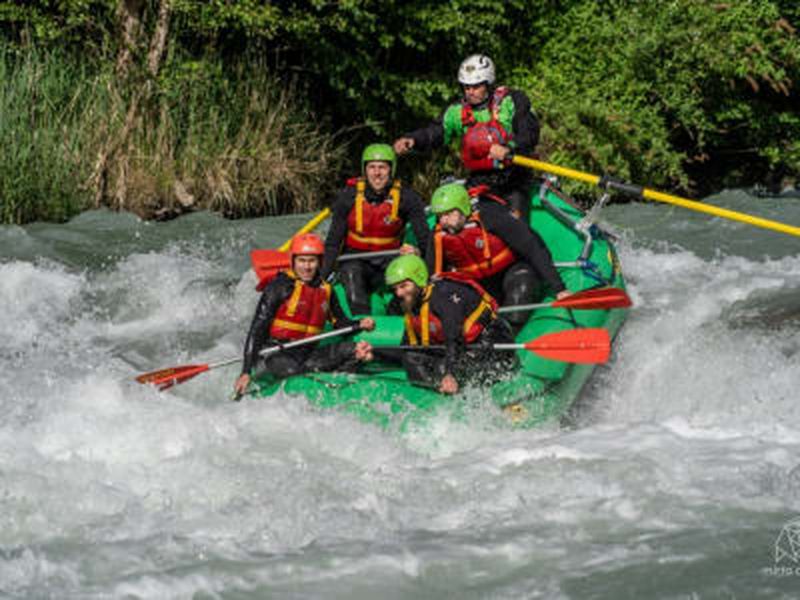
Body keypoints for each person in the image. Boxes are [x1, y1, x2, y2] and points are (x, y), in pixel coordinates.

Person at [393, 54, 540, 221]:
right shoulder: (456, 112)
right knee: (461, 222)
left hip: (514, 178)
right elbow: (435, 132)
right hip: (480, 179)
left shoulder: (511, 101)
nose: (470, 92)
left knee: (515, 224)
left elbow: (529, 134)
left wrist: (509, 148)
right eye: (466, 87)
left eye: (476, 86)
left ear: (488, 83)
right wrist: (413, 140)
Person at [233, 233, 375, 397]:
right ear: (293, 261)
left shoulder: (326, 290)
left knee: (355, 351)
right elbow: (258, 328)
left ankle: (338, 389)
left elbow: (340, 325)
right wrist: (246, 371)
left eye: (312, 261)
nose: (307, 267)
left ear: (320, 262)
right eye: (302, 261)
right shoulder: (278, 287)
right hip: (277, 354)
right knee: (294, 371)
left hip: (309, 354)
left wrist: (359, 325)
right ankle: (315, 384)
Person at [425, 182, 570, 330]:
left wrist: (559, 288)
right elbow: (433, 276)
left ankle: (510, 335)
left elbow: (532, 246)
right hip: (481, 285)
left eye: (448, 214)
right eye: (439, 216)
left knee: (521, 287)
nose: (443, 221)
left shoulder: (490, 215)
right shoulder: (438, 235)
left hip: (512, 271)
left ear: (462, 207)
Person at [381, 255, 515, 395]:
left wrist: (450, 374)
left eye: (403, 286)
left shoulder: (444, 296)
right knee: (411, 360)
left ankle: (460, 391)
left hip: (490, 342)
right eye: (395, 289)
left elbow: (454, 338)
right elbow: (407, 348)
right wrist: (373, 353)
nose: (399, 293)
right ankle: (440, 395)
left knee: (442, 367)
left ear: (418, 280)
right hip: (464, 349)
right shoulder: (415, 303)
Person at [321, 143, 430, 315]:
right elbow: (333, 243)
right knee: (350, 271)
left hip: (389, 259)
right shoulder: (347, 197)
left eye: (382, 167)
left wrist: (420, 256)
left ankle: (404, 316)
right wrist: (321, 278)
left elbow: (425, 240)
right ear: (365, 170)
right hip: (355, 259)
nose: (377, 173)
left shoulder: (407, 197)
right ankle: (362, 320)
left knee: (408, 272)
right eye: (371, 167)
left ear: (391, 169)